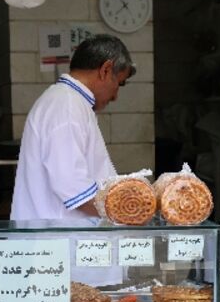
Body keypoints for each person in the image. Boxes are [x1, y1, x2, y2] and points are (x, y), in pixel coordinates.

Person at [11, 35, 135, 220]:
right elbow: (74, 189)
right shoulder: (66, 105)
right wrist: (130, 212)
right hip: (56, 243)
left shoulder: (72, 102)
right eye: (120, 83)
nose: (115, 96)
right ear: (106, 70)